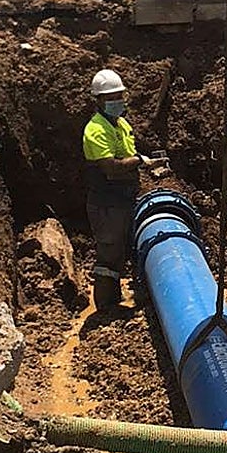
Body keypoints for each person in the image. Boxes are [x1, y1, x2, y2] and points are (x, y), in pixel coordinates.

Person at [82, 69, 158, 309]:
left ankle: (115, 301)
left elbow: (126, 153)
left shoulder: (121, 124)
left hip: (123, 200)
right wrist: (140, 161)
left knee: (121, 251)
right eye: (110, 98)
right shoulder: (95, 130)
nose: (117, 101)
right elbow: (111, 168)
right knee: (109, 254)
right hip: (106, 204)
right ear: (99, 100)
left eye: (119, 96)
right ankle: (105, 308)